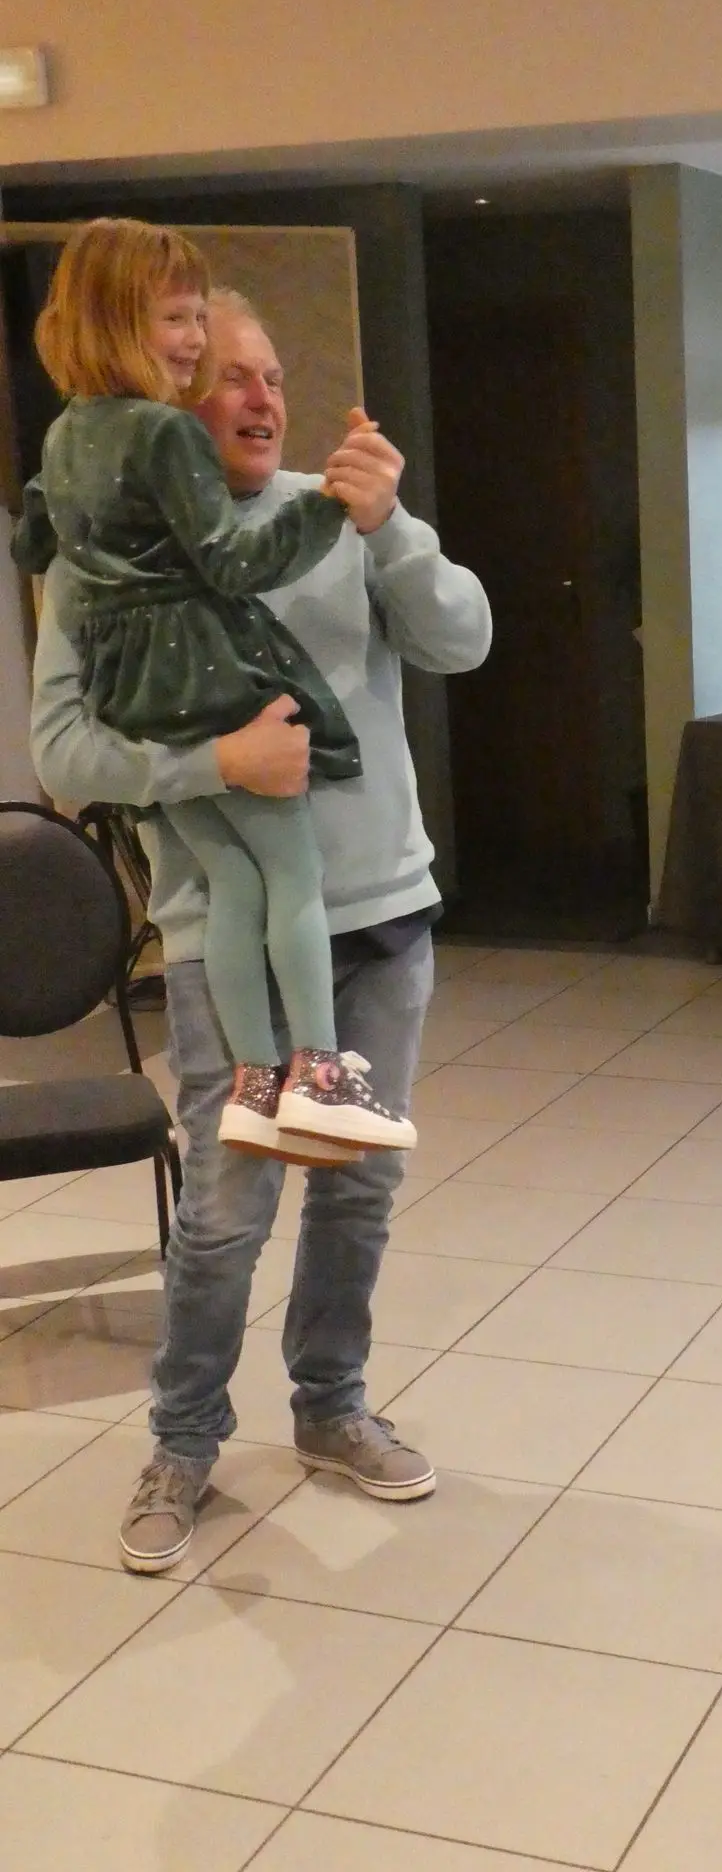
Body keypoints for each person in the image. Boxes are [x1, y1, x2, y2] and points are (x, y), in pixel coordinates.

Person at [29, 285, 492, 1574]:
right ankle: (183, 1439)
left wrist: (391, 524)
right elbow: (62, 751)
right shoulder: (107, 550)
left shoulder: (334, 518)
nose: (262, 397)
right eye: (229, 375)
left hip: (380, 919)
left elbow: (462, 638)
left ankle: (331, 1406)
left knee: (357, 1189)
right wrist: (215, 764)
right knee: (228, 1211)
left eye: (274, 376)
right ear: (170, 405)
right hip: (219, 938)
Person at [13, 218, 415, 1165]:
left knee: (233, 880)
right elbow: (233, 563)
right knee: (293, 873)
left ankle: (254, 1083)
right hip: (202, 677)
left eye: (198, 317)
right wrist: (330, 506)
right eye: (178, 318)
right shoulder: (161, 432)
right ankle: (317, 1074)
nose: (194, 339)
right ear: (119, 320)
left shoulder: (65, 433)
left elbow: (34, 540)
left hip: (133, 691)